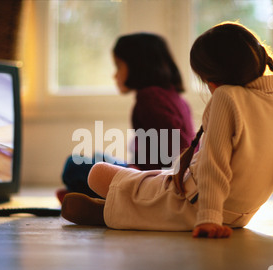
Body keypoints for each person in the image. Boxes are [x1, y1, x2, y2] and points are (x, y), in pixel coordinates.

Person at [61, 22, 273, 238]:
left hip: (193, 204)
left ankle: (109, 210)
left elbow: (215, 165)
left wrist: (209, 217)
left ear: (215, 79)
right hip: (239, 214)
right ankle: (118, 204)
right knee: (145, 178)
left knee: (96, 171)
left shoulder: (226, 97)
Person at [58, 32, 196, 200]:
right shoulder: (175, 98)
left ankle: (84, 194)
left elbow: (174, 153)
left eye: (119, 66)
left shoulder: (150, 98)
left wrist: (136, 171)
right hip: (150, 173)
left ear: (138, 66)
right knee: (99, 157)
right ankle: (80, 193)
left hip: (151, 180)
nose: (115, 75)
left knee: (73, 164)